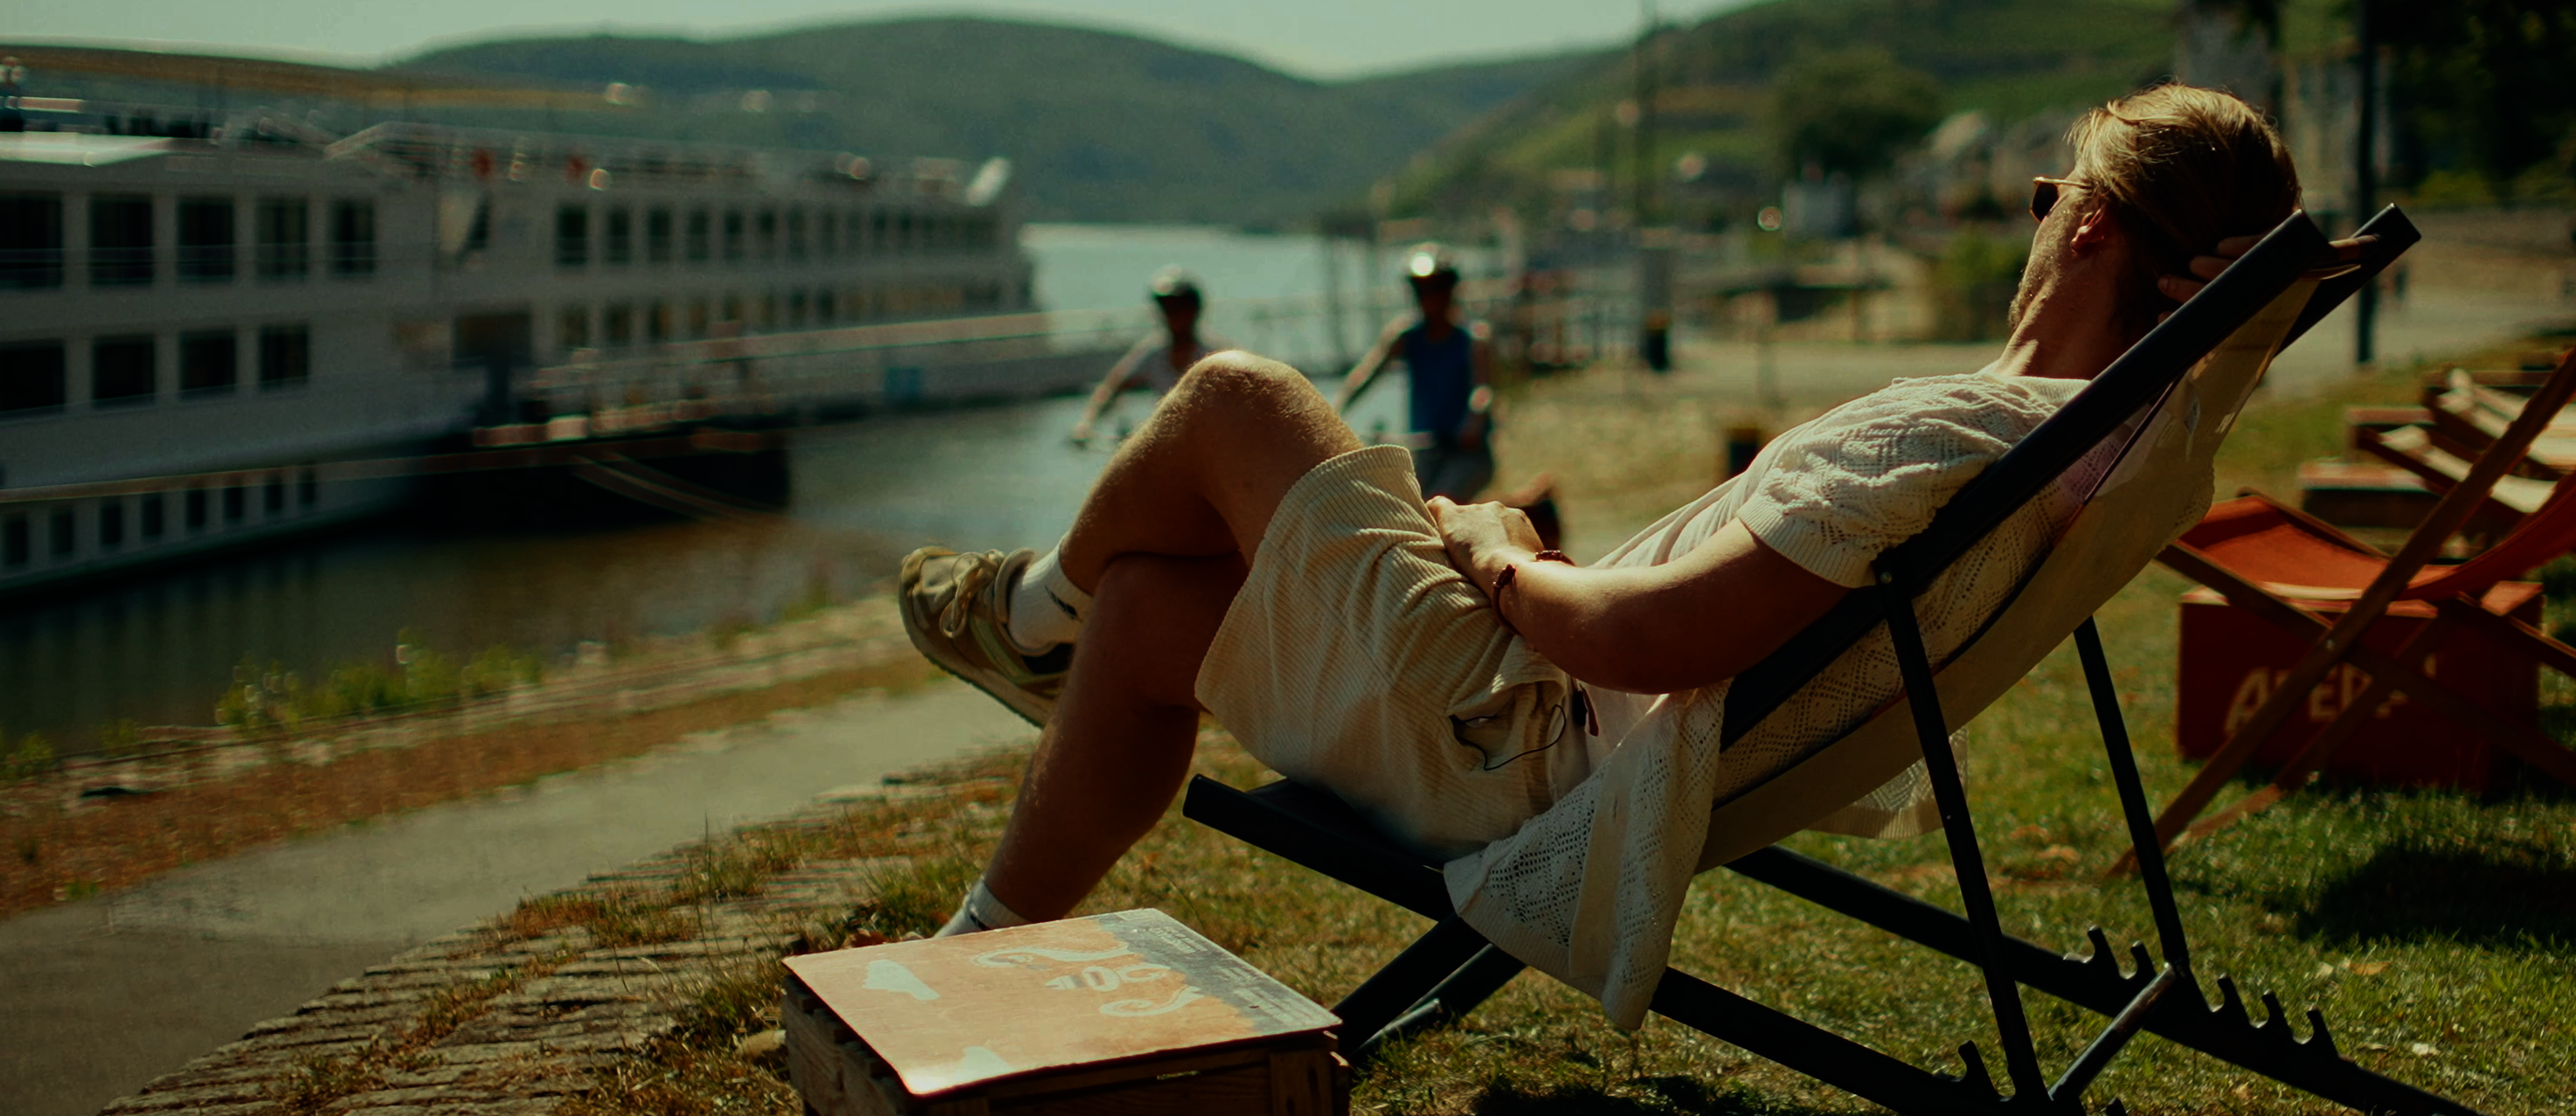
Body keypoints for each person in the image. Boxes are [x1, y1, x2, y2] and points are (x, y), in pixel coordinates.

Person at [898, 84, 2302, 939]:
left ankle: (1019, 612)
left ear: (2091, 226)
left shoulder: (1955, 439)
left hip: (1516, 739)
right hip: (1540, 724)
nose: (2040, 215)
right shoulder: (2107, 450)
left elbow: (1648, 642)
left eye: (2054, 195)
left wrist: (1498, 558)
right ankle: (978, 933)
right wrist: (2241, 322)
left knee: (1234, 396)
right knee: (1154, 610)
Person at [1336, 245, 1499, 501]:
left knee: (1437, 504)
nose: (1429, 296)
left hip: (1467, 454)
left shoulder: (1474, 339)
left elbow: (1482, 391)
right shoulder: (1405, 335)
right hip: (1426, 452)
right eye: (1421, 289)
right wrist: (1335, 411)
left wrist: (1473, 421)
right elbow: (1366, 374)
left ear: (1451, 289)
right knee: (1402, 506)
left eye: (1436, 287)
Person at [1068, 267, 1231, 445]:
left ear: (1194, 311)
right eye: (1166, 309)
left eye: (1178, 308)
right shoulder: (1154, 353)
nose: (1170, 316)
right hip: (1171, 443)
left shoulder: (1217, 355)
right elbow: (1112, 387)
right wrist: (1086, 424)